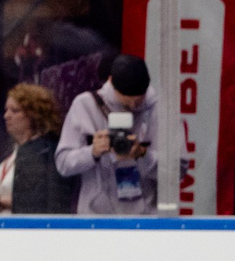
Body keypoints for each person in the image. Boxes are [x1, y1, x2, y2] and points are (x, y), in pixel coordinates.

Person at [55, 51, 162, 216]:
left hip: (145, 219)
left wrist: (143, 155)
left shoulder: (158, 109)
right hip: (95, 219)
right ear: (111, 82)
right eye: (126, 101)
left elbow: (178, 171)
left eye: (139, 101)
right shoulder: (85, 106)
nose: (134, 106)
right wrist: (92, 153)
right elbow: (63, 164)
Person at [0, 82, 78, 214]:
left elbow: (42, 202)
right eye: (6, 110)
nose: (6, 116)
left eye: (15, 110)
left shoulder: (47, 153)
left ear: (34, 115)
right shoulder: (14, 153)